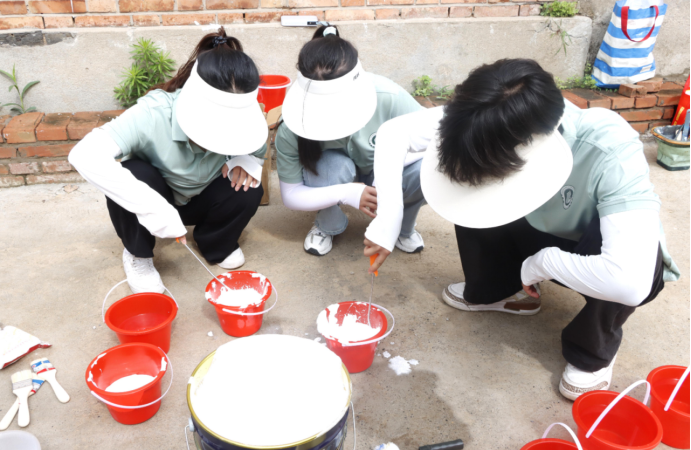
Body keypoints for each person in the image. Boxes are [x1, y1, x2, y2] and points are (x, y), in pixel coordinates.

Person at [365, 59, 680, 400]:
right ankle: (501, 291)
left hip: (589, 250)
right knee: (471, 196)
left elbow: (629, 281)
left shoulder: (607, 144)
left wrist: (542, 263)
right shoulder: (483, 116)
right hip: (533, 227)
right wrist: (388, 221)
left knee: (628, 253)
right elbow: (394, 134)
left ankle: (592, 352)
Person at [70, 28, 268, 294]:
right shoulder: (153, 114)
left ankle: (216, 243)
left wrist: (247, 159)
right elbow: (83, 154)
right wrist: (152, 208)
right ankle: (138, 253)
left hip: (202, 198)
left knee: (249, 187)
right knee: (134, 172)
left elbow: (258, 144)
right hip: (158, 199)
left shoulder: (246, 114)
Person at [276, 24, 426, 257]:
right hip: (339, 174)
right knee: (331, 166)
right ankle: (328, 224)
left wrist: (388, 172)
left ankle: (402, 226)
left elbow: (433, 142)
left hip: (381, 171)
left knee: (424, 169)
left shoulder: (388, 96)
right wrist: (346, 192)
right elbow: (291, 194)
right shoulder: (292, 125)